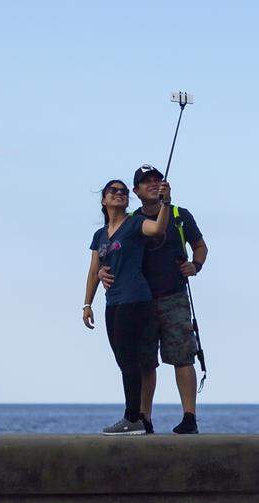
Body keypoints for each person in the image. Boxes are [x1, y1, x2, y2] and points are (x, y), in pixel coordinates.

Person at [99, 164, 208, 434]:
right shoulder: (130, 221)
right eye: (146, 182)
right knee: (145, 361)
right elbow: (108, 250)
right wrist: (101, 271)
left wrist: (195, 265)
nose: (153, 184)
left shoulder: (179, 215)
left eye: (157, 180)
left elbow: (200, 247)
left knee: (183, 357)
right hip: (140, 302)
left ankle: (189, 417)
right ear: (136, 191)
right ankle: (144, 417)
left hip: (174, 295)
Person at [83, 178, 172, 434]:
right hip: (113, 303)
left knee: (130, 359)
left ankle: (133, 417)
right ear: (104, 199)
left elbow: (157, 230)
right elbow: (93, 271)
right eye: (113, 191)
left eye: (123, 191)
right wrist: (87, 303)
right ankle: (138, 419)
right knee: (123, 359)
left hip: (136, 299)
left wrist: (165, 202)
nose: (119, 194)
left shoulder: (133, 223)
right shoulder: (100, 235)